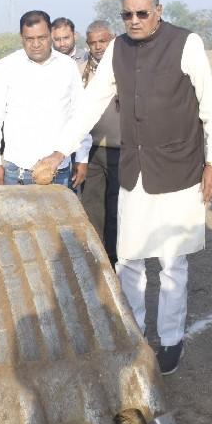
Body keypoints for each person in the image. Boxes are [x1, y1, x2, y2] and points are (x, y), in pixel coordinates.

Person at [33, 0, 212, 375]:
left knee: (172, 262)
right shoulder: (117, 49)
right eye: (127, 14)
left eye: (142, 13)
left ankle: (170, 339)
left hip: (179, 170)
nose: (134, 20)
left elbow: (210, 107)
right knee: (129, 259)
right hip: (135, 171)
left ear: (159, 10)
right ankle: (134, 333)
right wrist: (59, 151)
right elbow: (91, 104)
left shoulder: (186, 43)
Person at [0, 10, 90, 187]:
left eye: (42, 38)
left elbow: (80, 115)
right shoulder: (6, 67)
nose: (36, 44)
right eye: (29, 39)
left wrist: (82, 157)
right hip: (17, 170)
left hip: (59, 170)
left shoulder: (67, 66)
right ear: (21, 38)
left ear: (51, 34)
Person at [78, 20, 118, 263]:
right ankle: (95, 258)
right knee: (92, 206)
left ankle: (115, 259)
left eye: (103, 41)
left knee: (117, 207)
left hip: (121, 150)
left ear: (113, 40)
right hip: (90, 150)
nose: (98, 46)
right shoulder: (80, 70)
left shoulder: (125, 67)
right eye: (93, 42)